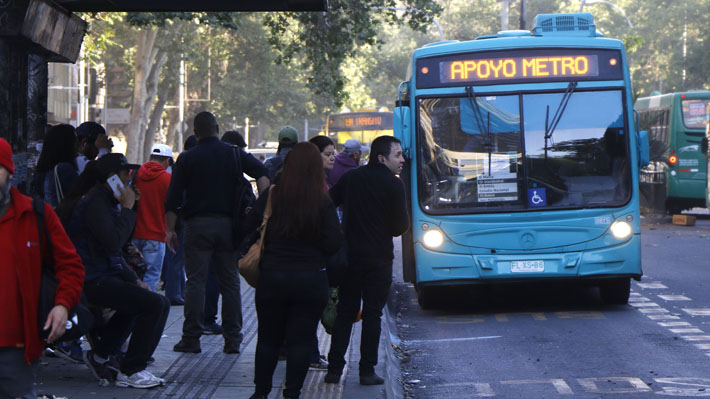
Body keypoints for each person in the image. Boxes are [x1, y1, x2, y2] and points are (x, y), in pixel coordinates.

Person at [166, 112, 269, 355]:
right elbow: (262, 173)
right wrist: (258, 208)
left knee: (196, 282)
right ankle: (232, 339)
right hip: (228, 227)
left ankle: (191, 338)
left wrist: (170, 229)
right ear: (218, 128)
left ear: (195, 132)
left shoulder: (187, 158)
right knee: (230, 282)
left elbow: (172, 198)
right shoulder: (233, 153)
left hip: (197, 226)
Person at [247, 142, 343, 399]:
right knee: (301, 342)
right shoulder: (322, 201)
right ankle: (292, 393)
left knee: (268, 339)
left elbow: (250, 226)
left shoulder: (273, 195)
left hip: (273, 277)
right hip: (310, 280)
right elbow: (334, 242)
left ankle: (260, 393)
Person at [66, 153, 169, 389]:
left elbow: (115, 251)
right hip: (90, 279)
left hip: (104, 274)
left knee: (146, 302)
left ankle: (101, 355)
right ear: (112, 179)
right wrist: (128, 207)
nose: (130, 180)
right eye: (126, 175)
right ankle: (132, 369)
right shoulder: (94, 203)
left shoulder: (106, 203)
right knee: (154, 305)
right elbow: (113, 242)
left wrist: (133, 279)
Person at [0, 138, 85, 399]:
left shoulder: (36, 214)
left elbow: (70, 265)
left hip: (15, 349)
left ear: (9, 173)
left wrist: (62, 305)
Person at [325, 136, 409, 386]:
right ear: (382, 158)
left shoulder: (352, 178)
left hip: (349, 258)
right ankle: (366, 371)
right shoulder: (394, 186)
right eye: (398, 155)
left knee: (345, 313)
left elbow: (327, 203)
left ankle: (334, 369)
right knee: (373, 314)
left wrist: (338, 234)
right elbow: (400, 227)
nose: (402, 160)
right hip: (378, 260)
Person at [131, 144, 173, 292]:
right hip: (156, 234)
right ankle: (144, 307)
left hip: (133, 233)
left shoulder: (133, 174)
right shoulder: (168, 179)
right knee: (152, 274)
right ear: (167, 161)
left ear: (150, 158)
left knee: (133, 275)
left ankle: (132, 308)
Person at [31, 124, 79, 207]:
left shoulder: (41, 171)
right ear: (66, 145)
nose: (77, 146)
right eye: (75, 142)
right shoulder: (65, 169)